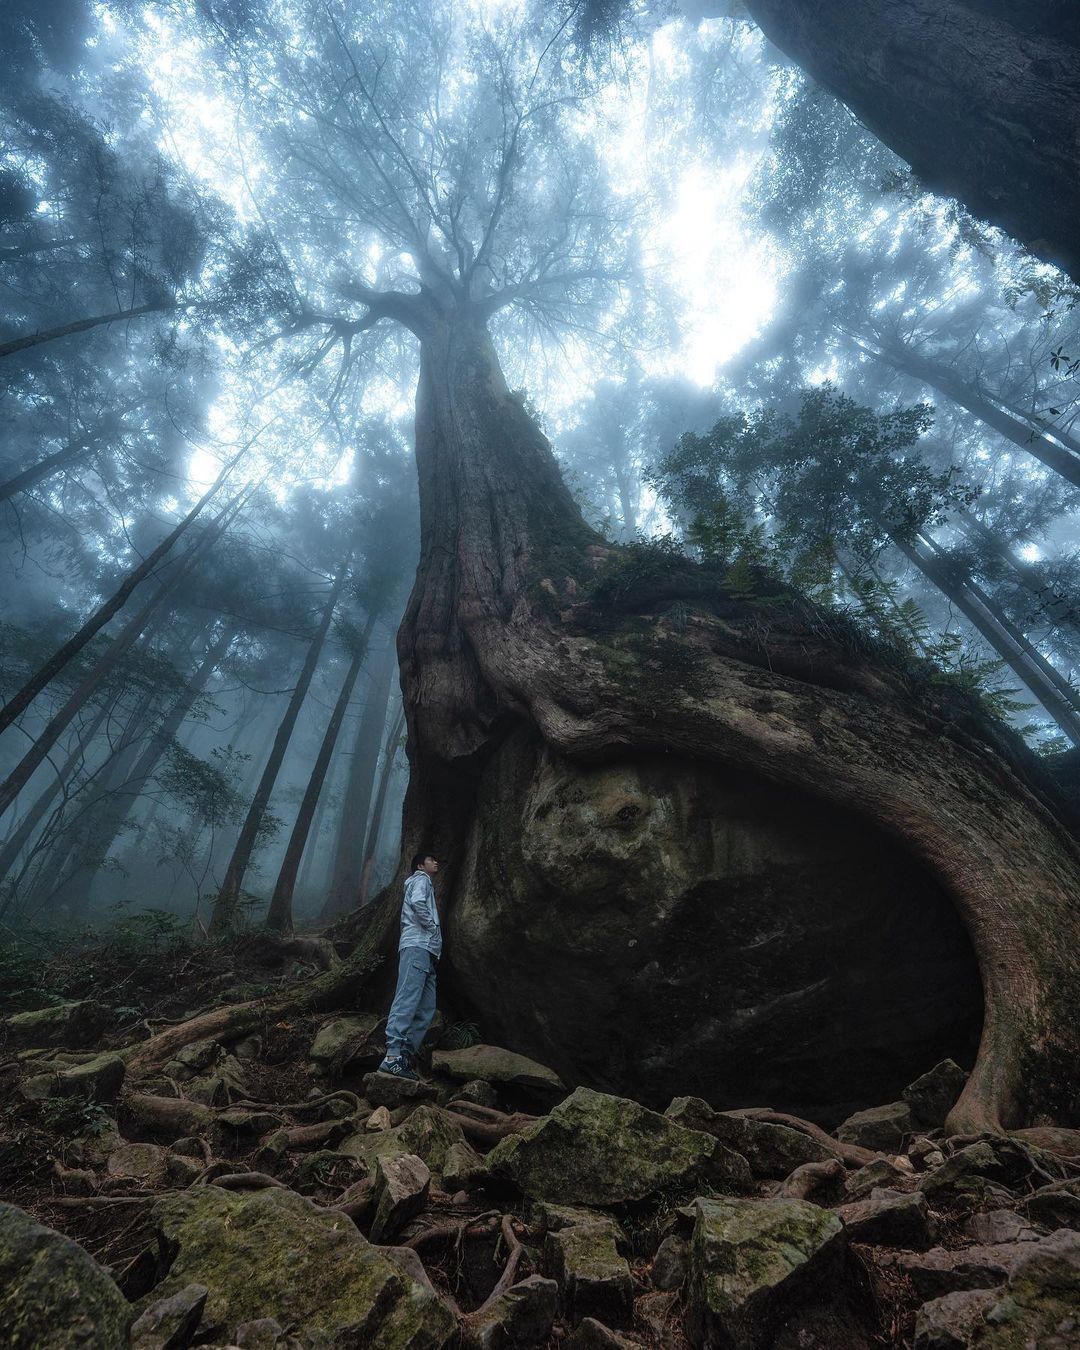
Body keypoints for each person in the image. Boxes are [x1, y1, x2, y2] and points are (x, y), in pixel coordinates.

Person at [377, 851, 441, 1080]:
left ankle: (405, 1056)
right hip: (417, 946)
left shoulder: (424, 882)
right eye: (431, 859)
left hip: (427, 952)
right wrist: (432, 927)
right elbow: (417, 903)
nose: (436, 862)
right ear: (420, 866)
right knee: (407, 999)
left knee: (426, 1007)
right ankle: (392, 1057)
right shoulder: (420, 880)